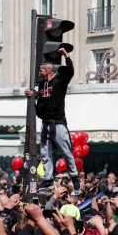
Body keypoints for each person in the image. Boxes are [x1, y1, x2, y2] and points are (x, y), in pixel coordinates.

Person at [25, 48, 80, 195]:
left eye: (41, 70)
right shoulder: (42, 84)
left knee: (66, 152)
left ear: (49, 70)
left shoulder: (59, 81)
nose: (40, 72)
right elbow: (43, 97)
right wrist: (33, 95)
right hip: (46, 123)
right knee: (45, 153)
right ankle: (48, 178)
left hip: (58, 123)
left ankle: (74, 177)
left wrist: (66, 56)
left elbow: (70, 71)